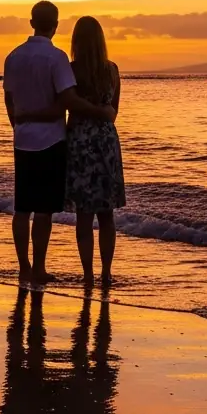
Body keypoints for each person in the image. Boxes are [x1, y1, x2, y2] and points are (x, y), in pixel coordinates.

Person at [3, 1, 114, 284]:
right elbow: (67, 101)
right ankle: (41, 268)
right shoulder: (57, 58)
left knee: (22, 208)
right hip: (54, 140)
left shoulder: (13, 57)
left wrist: (19, 122)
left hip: (26, 139)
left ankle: (25, 267)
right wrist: (101, 112)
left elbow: (9, 98)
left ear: (31, 23)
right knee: (44, 210)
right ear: (55, 25)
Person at [63, 17, 125, 286]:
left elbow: (67, 105)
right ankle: (106, 272)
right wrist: (101, 111)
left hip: (79, 142)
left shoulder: (70, 71)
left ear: (76, 41)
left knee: (84, 216)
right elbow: (113, 113)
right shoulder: (111, 70)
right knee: (107, 214)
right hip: (106, 143)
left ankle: (88, 274)